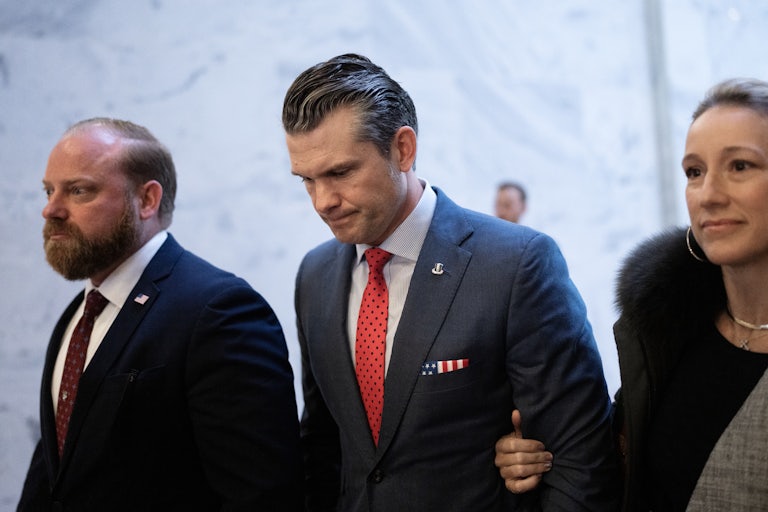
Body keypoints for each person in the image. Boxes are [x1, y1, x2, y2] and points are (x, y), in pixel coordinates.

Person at [282, 53, 619, 511]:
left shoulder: (515, 265)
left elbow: (582, 459)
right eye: (307, 180)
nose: (323, 201)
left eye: (340, 173)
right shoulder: (315, 276)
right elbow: (324, 446)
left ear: (402, 149)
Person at [495, 77, 768, 510]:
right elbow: (621, 463)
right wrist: (538, 456)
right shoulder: (669, 328)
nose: (709, 195)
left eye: (740, 166)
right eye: (694, 172)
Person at [18, 118, 303, 511]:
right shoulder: (77, 316)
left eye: (79, 191)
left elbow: (261, 496)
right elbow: (59, 473)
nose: (51, 209)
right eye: (49, 191)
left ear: (147, 200)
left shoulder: (219, 311)